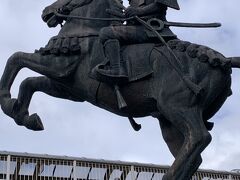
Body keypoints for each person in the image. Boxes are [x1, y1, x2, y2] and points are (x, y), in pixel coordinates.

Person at [94, 0, 180, 83]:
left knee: (106, 33)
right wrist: (126, 16)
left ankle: (117, 69)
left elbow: (160, 5)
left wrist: (138, 11)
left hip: (152, 30)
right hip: (139, 28)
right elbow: (135, 13)